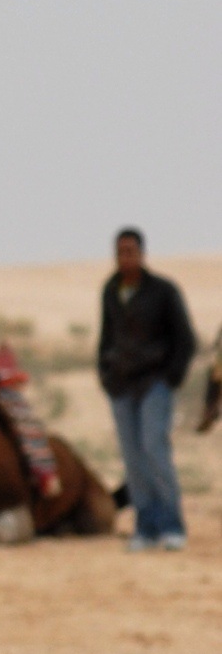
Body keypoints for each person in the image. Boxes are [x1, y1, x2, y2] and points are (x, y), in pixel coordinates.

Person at [97, 226, 195, 550]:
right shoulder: (111, 291)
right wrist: (106, 374)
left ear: (141, 254)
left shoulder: (162, 291)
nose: (125, 258)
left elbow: (185, 338)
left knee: (154, 450)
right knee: (132, 458)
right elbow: (107, 337)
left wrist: (171, 377)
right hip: (122, 385)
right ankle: (146, 527)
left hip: (154, 382)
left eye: (130, 251)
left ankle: (171, 525)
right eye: (120, 252)